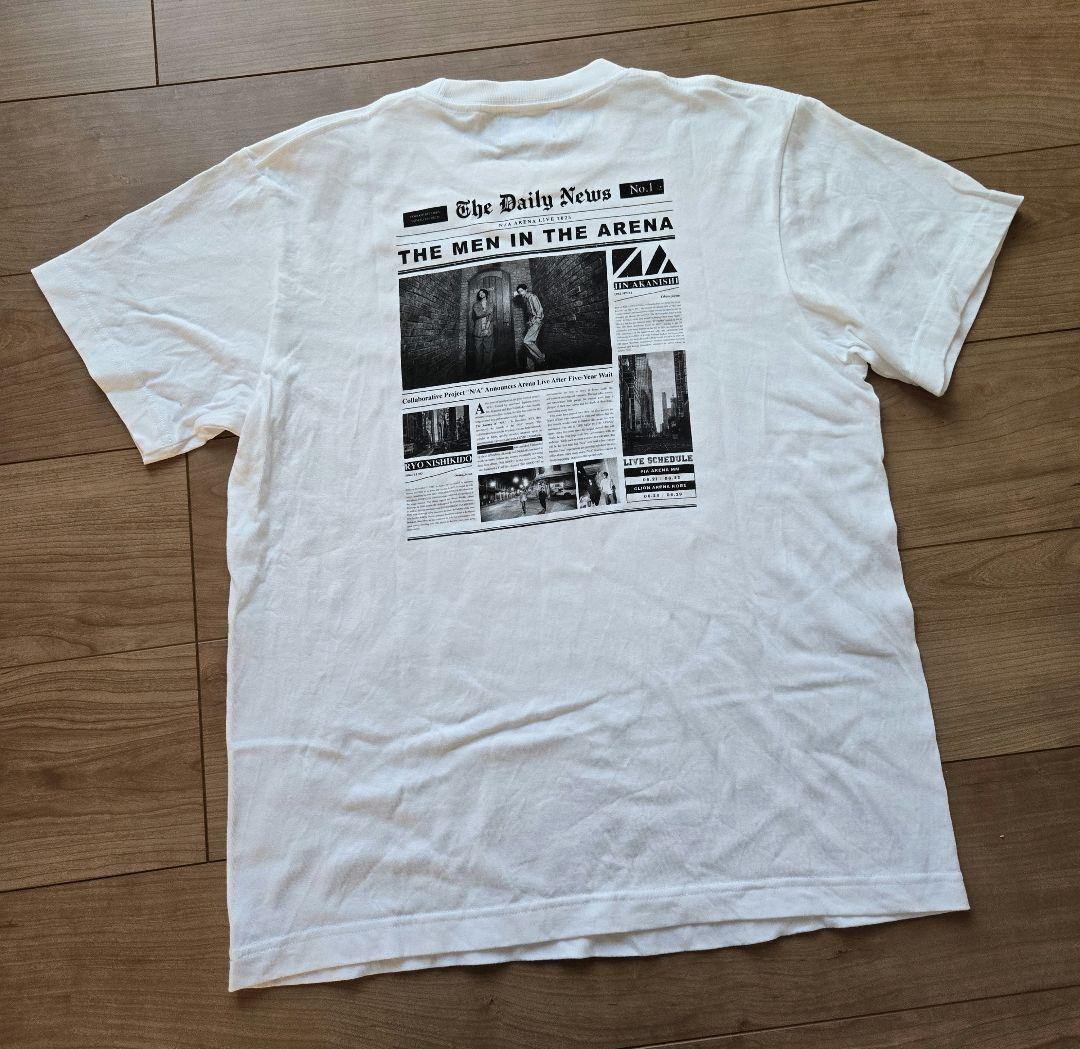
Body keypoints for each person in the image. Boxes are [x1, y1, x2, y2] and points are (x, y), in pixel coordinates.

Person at [515, 283, 545, 370]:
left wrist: (537, 320)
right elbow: (531, 312)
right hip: (532, 322)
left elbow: (539, 309)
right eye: (519, 292)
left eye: (522, 291)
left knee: (527, 341)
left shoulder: (532, 297)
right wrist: (530, 321)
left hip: (536, 322)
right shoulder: (526, 299)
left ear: (526, 290)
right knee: (530, 343)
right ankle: (530, 367)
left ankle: (541, 357)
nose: (521, 293)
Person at [471, 289, 495, 376]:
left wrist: (487, 328)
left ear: (486, 294)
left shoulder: (491, 304)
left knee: (488, 350)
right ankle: (478, 370)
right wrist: (488, 312)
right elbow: (478, 314)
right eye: (479, 293)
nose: (480, 294)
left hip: (488, 330)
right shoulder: (476, 304)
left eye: (482, 292)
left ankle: (487, 369)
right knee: (478, 351)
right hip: (478, 331)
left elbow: (491, 317)